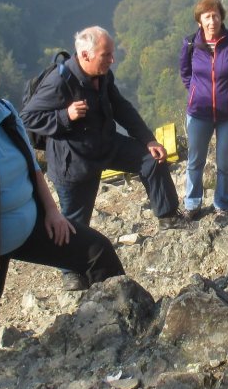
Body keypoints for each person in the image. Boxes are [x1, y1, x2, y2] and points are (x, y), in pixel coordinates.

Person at [0, 43, 125, 366]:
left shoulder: (5, 114)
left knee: (97, 251)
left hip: (30, 226)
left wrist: (53, 213)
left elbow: (32, 168)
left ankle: (119, 325)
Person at [21, 26, 182, 291]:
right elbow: (27, 117)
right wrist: (65, 116)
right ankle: (70, 272)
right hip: (74, 161)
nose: (111, 59)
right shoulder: (60, 82)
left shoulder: (103, 76)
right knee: (73, 220)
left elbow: (121, 108)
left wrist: (148, 140)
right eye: (106, 55)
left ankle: (168, 216)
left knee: (150, 161)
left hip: (105, 144)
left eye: (111, 54)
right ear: (85, 55)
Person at [178, 0, 228, 221]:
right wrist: (196, 92)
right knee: (195, 160)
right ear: (199, 21)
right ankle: (192, 203)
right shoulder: (190, 44)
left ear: (222, 17)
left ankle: (222, 202)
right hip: (199, 113)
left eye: (216, 15)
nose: (212, 21)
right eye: (207, 17)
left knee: (225, 160)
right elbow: (185, 74)